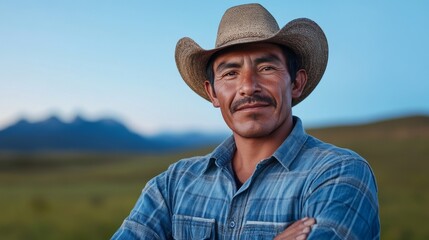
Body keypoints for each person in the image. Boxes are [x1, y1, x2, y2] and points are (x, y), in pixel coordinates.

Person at [112, 3, 380, 239]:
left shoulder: (339, 174)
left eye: (266, 68)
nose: (248, 87)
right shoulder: (173, 185)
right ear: (212, 92)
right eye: (230, 73)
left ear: (296, 83)